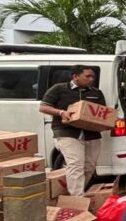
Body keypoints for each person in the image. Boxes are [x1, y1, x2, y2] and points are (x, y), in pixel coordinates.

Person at [39, 65, 106, 196]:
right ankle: (77, 200)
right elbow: (43, 107)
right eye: (87, 76)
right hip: (67, 132)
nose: (91, 79)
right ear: (75, 76)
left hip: (91, 134)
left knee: (89, 167)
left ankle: (71, 193)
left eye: (93, 76)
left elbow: (102, 113)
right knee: (75, 165)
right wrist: (61, 112)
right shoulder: (59, 89)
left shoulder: (96, 93)